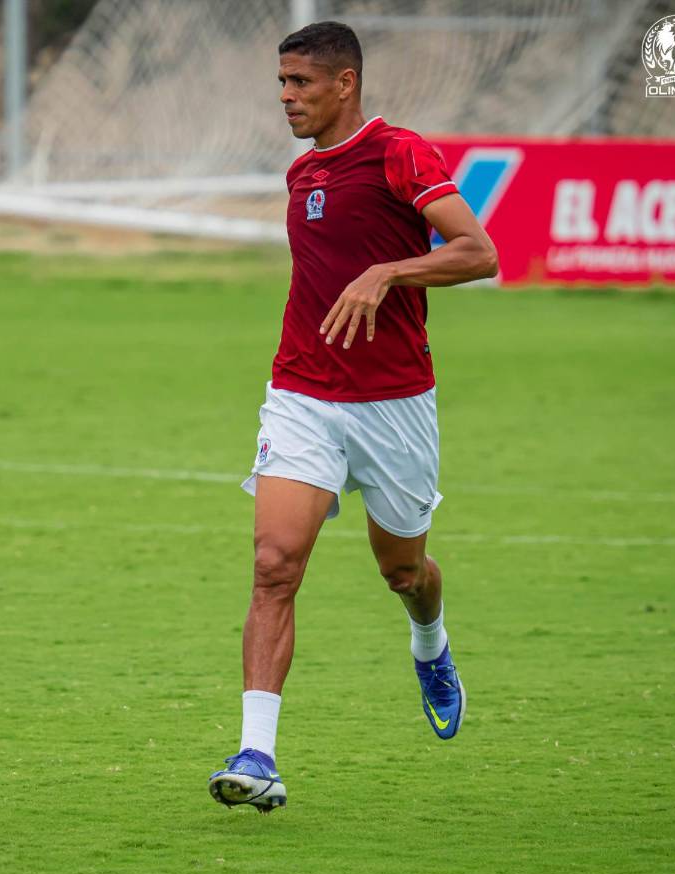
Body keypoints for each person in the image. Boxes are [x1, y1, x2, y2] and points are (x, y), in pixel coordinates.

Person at [208, 21, 498, 813]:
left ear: (345, 84)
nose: (285, 97)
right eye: (281, 83)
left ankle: (430, 644)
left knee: (403, 571)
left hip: (396, 406)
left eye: (299, 83)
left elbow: (481, 252)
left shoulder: (399, 152)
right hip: (302, 395)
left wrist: (391, 271)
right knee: (274, 564)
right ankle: (256, 755)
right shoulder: (301, 173)